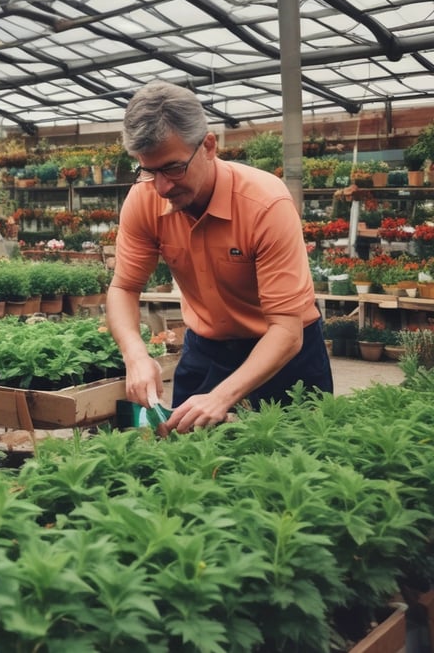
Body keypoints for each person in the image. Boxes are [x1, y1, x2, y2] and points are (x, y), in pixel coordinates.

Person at [106, 80, 333, 435]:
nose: (162, 187)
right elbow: (123, 287)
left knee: (294, 465)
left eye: (173, 168)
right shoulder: (143, 200)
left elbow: (287, 330)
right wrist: (135, 354)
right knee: (191, 465)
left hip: (284, 354)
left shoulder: (265, 204)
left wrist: (222, 396)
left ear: (209, 146)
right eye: (149, 171)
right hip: (207, 350)